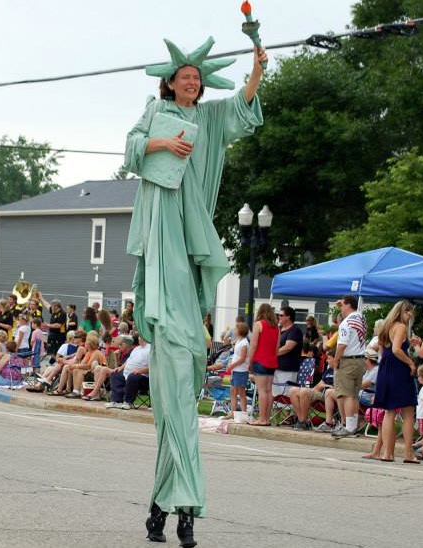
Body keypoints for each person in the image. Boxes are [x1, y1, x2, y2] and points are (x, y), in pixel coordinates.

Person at [124, 36, 266, 541]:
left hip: (189, 238)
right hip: (162, 233)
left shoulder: (207, 121)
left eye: (197, 78)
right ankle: (177, 509)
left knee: (179, 407)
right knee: (174, 408)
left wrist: (257, 69)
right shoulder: (155, 112)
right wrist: (164, 143)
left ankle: (167, 508)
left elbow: (243, 108)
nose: (192, 81)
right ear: (171, 82)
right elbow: (133, 149)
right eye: (184, 76)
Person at [373, 300, 419, 463]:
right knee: (407, 412)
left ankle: (387, 452)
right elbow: (396, 349)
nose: (411, 315)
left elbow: (381, 348)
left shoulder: (385, 326)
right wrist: (410, 362)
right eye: (409, 312)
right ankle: (408, 453)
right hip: (398, 369)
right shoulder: (400, 327)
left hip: (385, 368)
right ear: (403, 312)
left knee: (389, 412)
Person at [330, 295, 367, 438]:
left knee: (347, 395)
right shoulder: (360, 318)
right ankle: (353, 424)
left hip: (347, 360)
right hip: (359, 359)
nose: (341, 308)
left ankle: (349, 426)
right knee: (354, 395)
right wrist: (342, 303)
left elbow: (342, 344)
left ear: (348, 306)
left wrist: (336, 360)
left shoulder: (345, 323)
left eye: (342, 305)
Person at [248, 304, 279, 426]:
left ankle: (261, 418)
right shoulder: (276, 327)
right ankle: (267, 418)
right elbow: (277, 347)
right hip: (271, 361)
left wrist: (250, 361)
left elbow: (254, 344)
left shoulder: (258, 325)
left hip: (260, 360)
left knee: (261, 391)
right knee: (268, 391)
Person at [107, 335, 151, 410]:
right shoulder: (137, 348)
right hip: (129, 373)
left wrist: (140, 371)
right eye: (139, 337)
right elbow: (128, 361)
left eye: (140, 337)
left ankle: (128, 402)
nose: (138, 338)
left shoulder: (150, 349)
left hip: (143, 376)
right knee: (115, 374)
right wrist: (120, 368)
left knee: (132, 376)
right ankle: (117, 401)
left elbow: (153, 367)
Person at [274, 305, 304, 397]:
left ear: (288, 317)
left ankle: (288, 412)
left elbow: (288, 347)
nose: (279, 317)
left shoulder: (295, 330)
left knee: (286, 396)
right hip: (276, 367)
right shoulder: (280, 330)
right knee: (276, 396)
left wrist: (272, 354)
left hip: (288, 369)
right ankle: (276, 412)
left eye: (281, 315)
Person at [224, 322, 250, 420]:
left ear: (240, 330)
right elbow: (235, 355)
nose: (234, 330)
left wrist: (232, 365)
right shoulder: (238, 340)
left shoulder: (244, 343)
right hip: (235, 370)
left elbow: (242, 358)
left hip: (241, 371)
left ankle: (244, 413)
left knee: (241, 392)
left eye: (236, 329)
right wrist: (230, 365)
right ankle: (232, 412)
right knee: (233, 391)